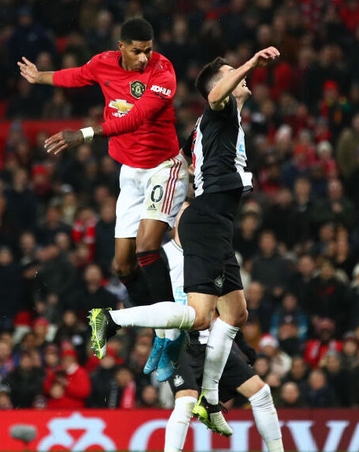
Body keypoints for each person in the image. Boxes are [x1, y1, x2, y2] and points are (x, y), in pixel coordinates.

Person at [87, 46, 281, 436]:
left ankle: (210, 396)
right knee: (198, 317)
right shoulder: (219, 109)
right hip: (207, 220)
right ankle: (111, 319)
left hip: (217, 223)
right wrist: (250, 65)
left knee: (237, 314)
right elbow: (214, 95)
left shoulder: (219, 124)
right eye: (231, 74)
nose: (241, 79)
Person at [18, 19, 188, 368]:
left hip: (164, 167)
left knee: (146, 248)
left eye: (149, 49)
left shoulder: (163, 74)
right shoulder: (104, 63)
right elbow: (76, 75)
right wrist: (40, 77)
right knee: (123, 265)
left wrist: (85, 133)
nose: (144, 57)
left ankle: (173, 333)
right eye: (137, 50)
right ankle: (157, 331)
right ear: (121, 46)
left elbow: (136, 119)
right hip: (131, 173)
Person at [161, 202, 283, 451]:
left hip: (210, 342)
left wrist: (241, 343)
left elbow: (225, 308)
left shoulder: (209, 256)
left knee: (261, 393)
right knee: (185, 403)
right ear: (174, 221)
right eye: (184, 214)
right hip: (176, 343)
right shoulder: (161, 256)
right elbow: (139, 296)